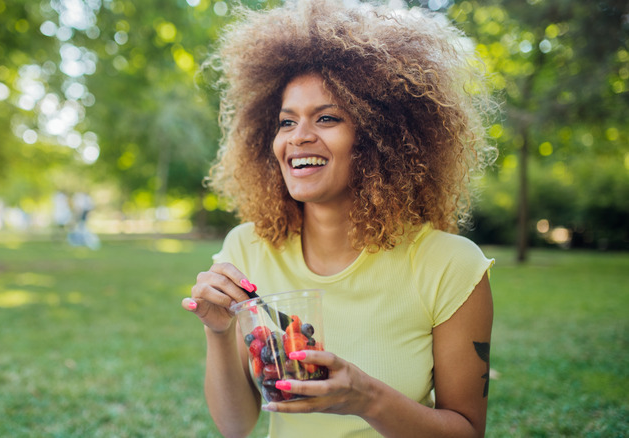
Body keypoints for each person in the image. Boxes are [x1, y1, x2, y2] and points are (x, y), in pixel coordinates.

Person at [182, 1, 497, 437]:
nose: (298, 137)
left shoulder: (450, 266)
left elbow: (467, 432)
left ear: (379, 135)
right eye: (286, 121)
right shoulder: (246, 250)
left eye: (327, 118)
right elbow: (235, 426)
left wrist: (365, 398)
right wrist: (218, 332)